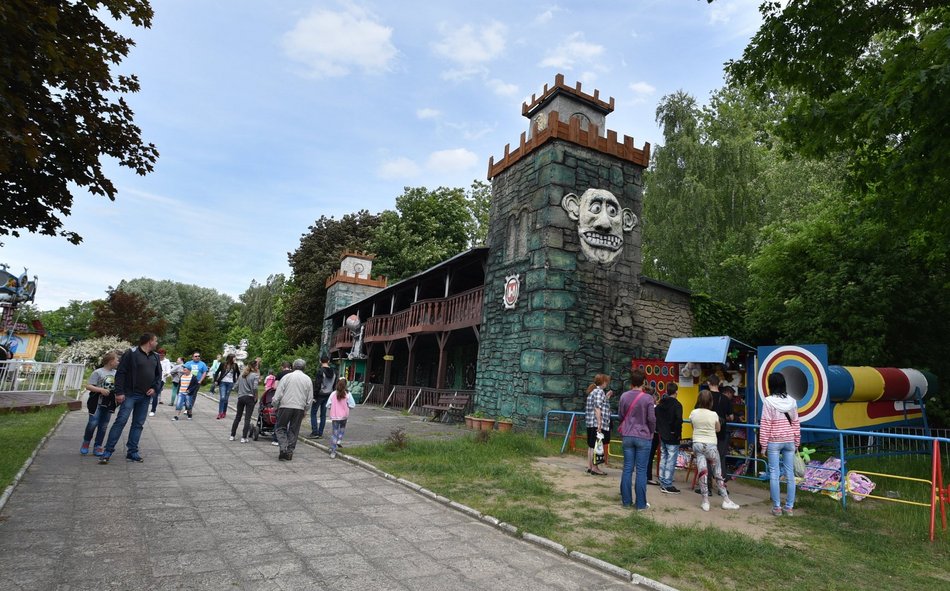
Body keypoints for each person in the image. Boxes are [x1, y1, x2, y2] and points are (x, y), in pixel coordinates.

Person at [98, 333, 162, 465]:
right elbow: (121, 373)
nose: (156, 343)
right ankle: (107, 452)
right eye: (155, 340)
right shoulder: (131, 353)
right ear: (149, 341)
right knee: (121, 421)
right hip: (129, 394)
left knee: (138, 424)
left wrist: (154, 388)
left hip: (145, 396)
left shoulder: (155, 356)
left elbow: (158, 376)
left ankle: (132, 452)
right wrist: (119, 392)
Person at [689, 390, 741, 511]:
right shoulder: (713, 415)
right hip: (711, 445)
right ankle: (726, 500)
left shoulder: (693, 413)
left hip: (697, 444)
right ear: (711, 401)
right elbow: (718, 429)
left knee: (702, 472)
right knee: (717, 473)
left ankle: (705, 501)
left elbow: (693, 426)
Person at [760, 372, 801, 516]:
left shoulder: (768, 401)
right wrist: (797, 442)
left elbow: (766, 424)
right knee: (790, 474)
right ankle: (789, 507)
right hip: (789, 440)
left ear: (770, 385)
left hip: (774, 441)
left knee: (774, 473)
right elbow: (796, 423)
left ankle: (777, 507)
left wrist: (763, 445)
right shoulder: (792, 401)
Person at [617, 369, 655, 510]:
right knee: (641, 471)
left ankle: (626, 501)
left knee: (627, 468)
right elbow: (651, 418)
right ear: (643, 382)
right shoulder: (648, 398)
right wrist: (651, 431)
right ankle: (640, 504)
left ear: (631, 382)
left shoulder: (624, 396)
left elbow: (620, 415)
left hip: (627, 435)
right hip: (643, 436)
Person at [272, 358, 313, 461]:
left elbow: (279, 393)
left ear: (293, 367)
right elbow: (310, 397)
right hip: (299, 407)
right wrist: (306, 409)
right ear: (304, 367)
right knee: (294, 430)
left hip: (285, 405)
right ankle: (290, 451)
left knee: (280, 427)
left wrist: (275, 404)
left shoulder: (287, 377)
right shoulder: (307, 379)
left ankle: (283, 447)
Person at [80, 352, 118, 456]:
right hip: (96, 403)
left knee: (103, 425)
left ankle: (98, 446)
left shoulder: (116, 373)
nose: (118, 362)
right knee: (93, 423)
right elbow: (88, 386)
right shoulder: (98, 372)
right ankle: (86, 442)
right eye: (117, 360)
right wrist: (101, 390)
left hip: (109, 403)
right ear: (110, 361)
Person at [654, 382, 683, 494]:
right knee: (671, 459)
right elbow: (679, 420)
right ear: (676, 392)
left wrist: (659, 429)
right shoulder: (677, 405)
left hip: (662, 433)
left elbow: (656, 416)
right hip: (672, 435)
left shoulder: (660, 404)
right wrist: (677, 433)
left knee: (664, 457)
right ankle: (667, 483)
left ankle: (662, 479)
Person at [584, 374, 612, 476]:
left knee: (591, 446)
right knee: (597, 446)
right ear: (603, 382)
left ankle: (590, 466)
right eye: (606, 381)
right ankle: (595, 468)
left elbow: (598, 404)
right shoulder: (599, 392)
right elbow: (597, 408)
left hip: (590, 423)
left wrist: (606, 398)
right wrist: (599, 423)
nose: (607, 383)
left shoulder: (593, 391)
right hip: (596, 423)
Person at [230, 360, 260, 443]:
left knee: (238, 417)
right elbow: (255, 387)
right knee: (247, 418)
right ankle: (243, 437)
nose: (258, 367)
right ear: (254, 367)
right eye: (257, 365)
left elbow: (235, 387)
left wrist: (240, 392)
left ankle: (232, 435)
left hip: (241, 397)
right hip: (250, 398)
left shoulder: (241, 375)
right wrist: (255, 396)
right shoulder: (255, 376)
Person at [309, 355, 337, 439]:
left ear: (320, 361)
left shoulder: (320, 371)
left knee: (313, 413)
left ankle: (315, 432)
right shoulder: (334, 372)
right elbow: (334, 384)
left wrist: (314, 396)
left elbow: (317, 384)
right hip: (328, 394)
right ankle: (320, 432)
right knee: (323, 414)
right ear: (328, 361)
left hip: (319, 395)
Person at [327, 378, 356, 459]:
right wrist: (347, 407)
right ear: (345, 385)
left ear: (337, 384)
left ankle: (333, 451)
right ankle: (339, 440)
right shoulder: (348, 394)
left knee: (334, 433)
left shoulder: (333, 394)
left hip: (335, 416)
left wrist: (332, 408)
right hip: (344, 416)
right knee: (342, 428)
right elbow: (352, 405)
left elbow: (328, 405)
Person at [213, 354, 239, 419]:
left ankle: (224, 412)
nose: (235, 359)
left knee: (226, 399)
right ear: (230, 358)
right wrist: (215, 380)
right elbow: (217, 372)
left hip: (230, 383)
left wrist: (237, 381)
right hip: (223, 382)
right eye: (234, 358)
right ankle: (220, 413)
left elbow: (238, 373)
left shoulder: (235, 365)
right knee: (222, 398)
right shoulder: (223, 364)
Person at [644, 385, 661, 485]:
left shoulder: (642, 404)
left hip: (642, 432)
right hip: (652, 433)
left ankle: (644, 475)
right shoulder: (655, 408)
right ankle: (648, 476)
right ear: (654, 397)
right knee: (650, 455)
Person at [148, 348, 172, 415]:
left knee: (155, 394)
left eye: (163, 355)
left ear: (165, 355)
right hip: (151, 379)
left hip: (161, 380)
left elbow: (168, 371)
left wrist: (166, 374)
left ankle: (153, 410)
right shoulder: (154, 359)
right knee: (147, 393)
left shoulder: (167, 361)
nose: (161, 356)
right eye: (160, 354)